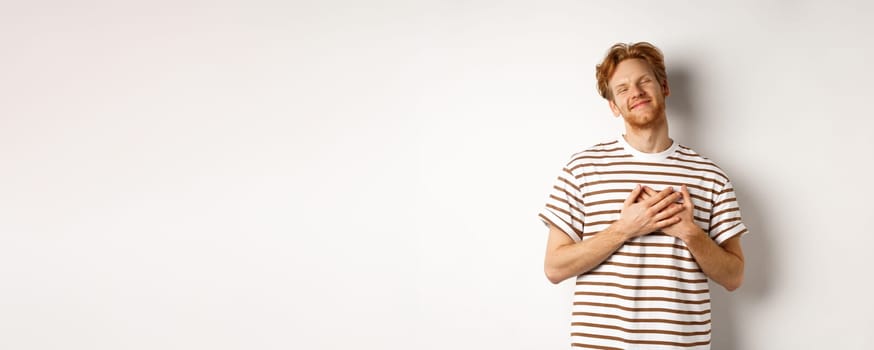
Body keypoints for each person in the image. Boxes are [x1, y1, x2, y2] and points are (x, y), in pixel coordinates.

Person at [538, 42, 747, 349]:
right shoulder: (582, 169)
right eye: (622, 88)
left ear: (664, 87)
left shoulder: (710, 176)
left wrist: (690, 232)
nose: (635, 92)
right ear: (613, 106)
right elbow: (554, 268)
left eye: (644, 81)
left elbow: (734, 277)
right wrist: (625, 229)